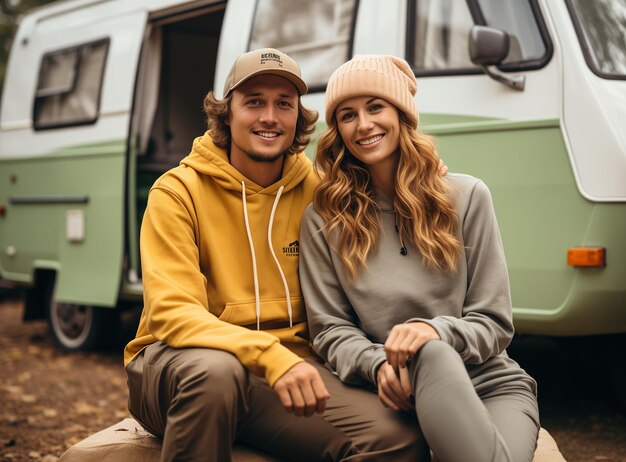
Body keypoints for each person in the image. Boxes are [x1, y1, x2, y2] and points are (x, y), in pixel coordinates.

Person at [123, 48, 430, 462]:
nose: (270, 117)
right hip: (180, 364)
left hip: (290, 368)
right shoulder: (178, 192)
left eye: (283, 104)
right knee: (217, 374)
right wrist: (268, 356)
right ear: (226, 113)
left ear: (297, 117)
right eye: (254, 102)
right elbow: (172, 312)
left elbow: (382, 239)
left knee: (395, 438)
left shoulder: (320, 192)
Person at [299, 54, 541, 462]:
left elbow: (494, 322)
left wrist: (433, 333)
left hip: (491, 385)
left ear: (402, 114)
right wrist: (379, 365)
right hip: (397, 391)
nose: (364, 125)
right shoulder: (324, 219)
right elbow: (329, 329)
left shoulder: (466, 198)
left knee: (432, 352)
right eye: (347, 115)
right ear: (337, 130)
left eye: (376, 107)